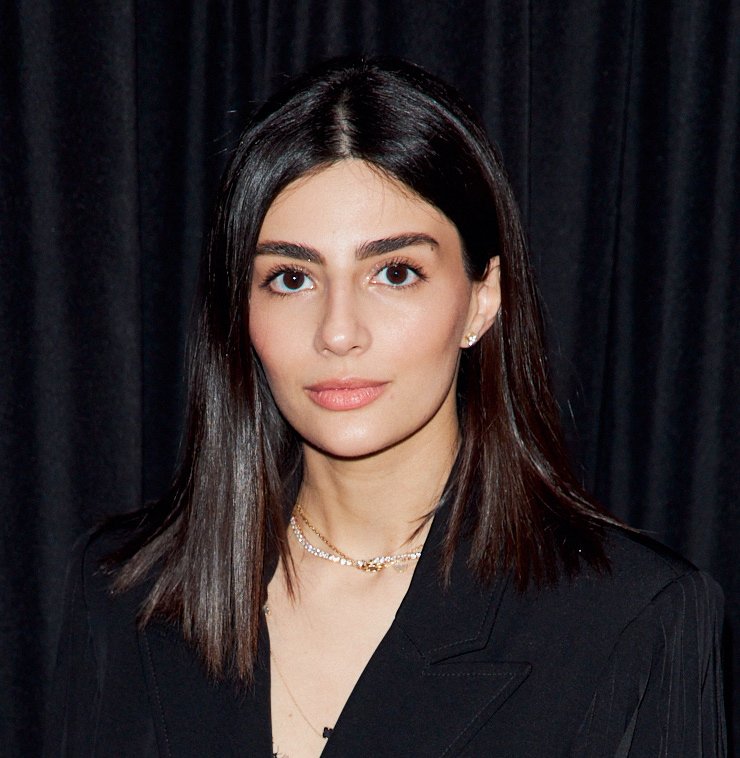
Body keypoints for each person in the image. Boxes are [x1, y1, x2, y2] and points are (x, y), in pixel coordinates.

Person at [45, 57, 726, 757]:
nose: (339, 332)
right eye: (291, 278)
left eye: (395, 273)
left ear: (482, 298)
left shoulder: (630, 620)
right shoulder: (122, 593)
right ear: (239, 310)